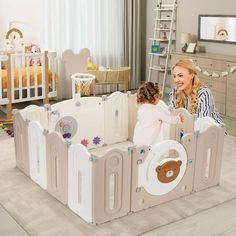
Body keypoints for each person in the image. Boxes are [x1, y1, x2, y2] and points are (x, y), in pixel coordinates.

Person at [169, 59, 223, 126]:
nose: (176, 80)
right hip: (185, 130)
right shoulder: (175, 91)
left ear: (192, 75)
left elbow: (202, 125)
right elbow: (170, 117)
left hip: (211, 132)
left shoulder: (204, 93)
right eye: (174, 76)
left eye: (180, 75)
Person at [133, 82, 183, 149]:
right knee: (151, 156)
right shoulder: (157, 110)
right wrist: (179, 118)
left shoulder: (141, 108)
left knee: (142, 157)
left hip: (138, 139)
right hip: (149, 143)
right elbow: (169, 119)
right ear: (155, 97)